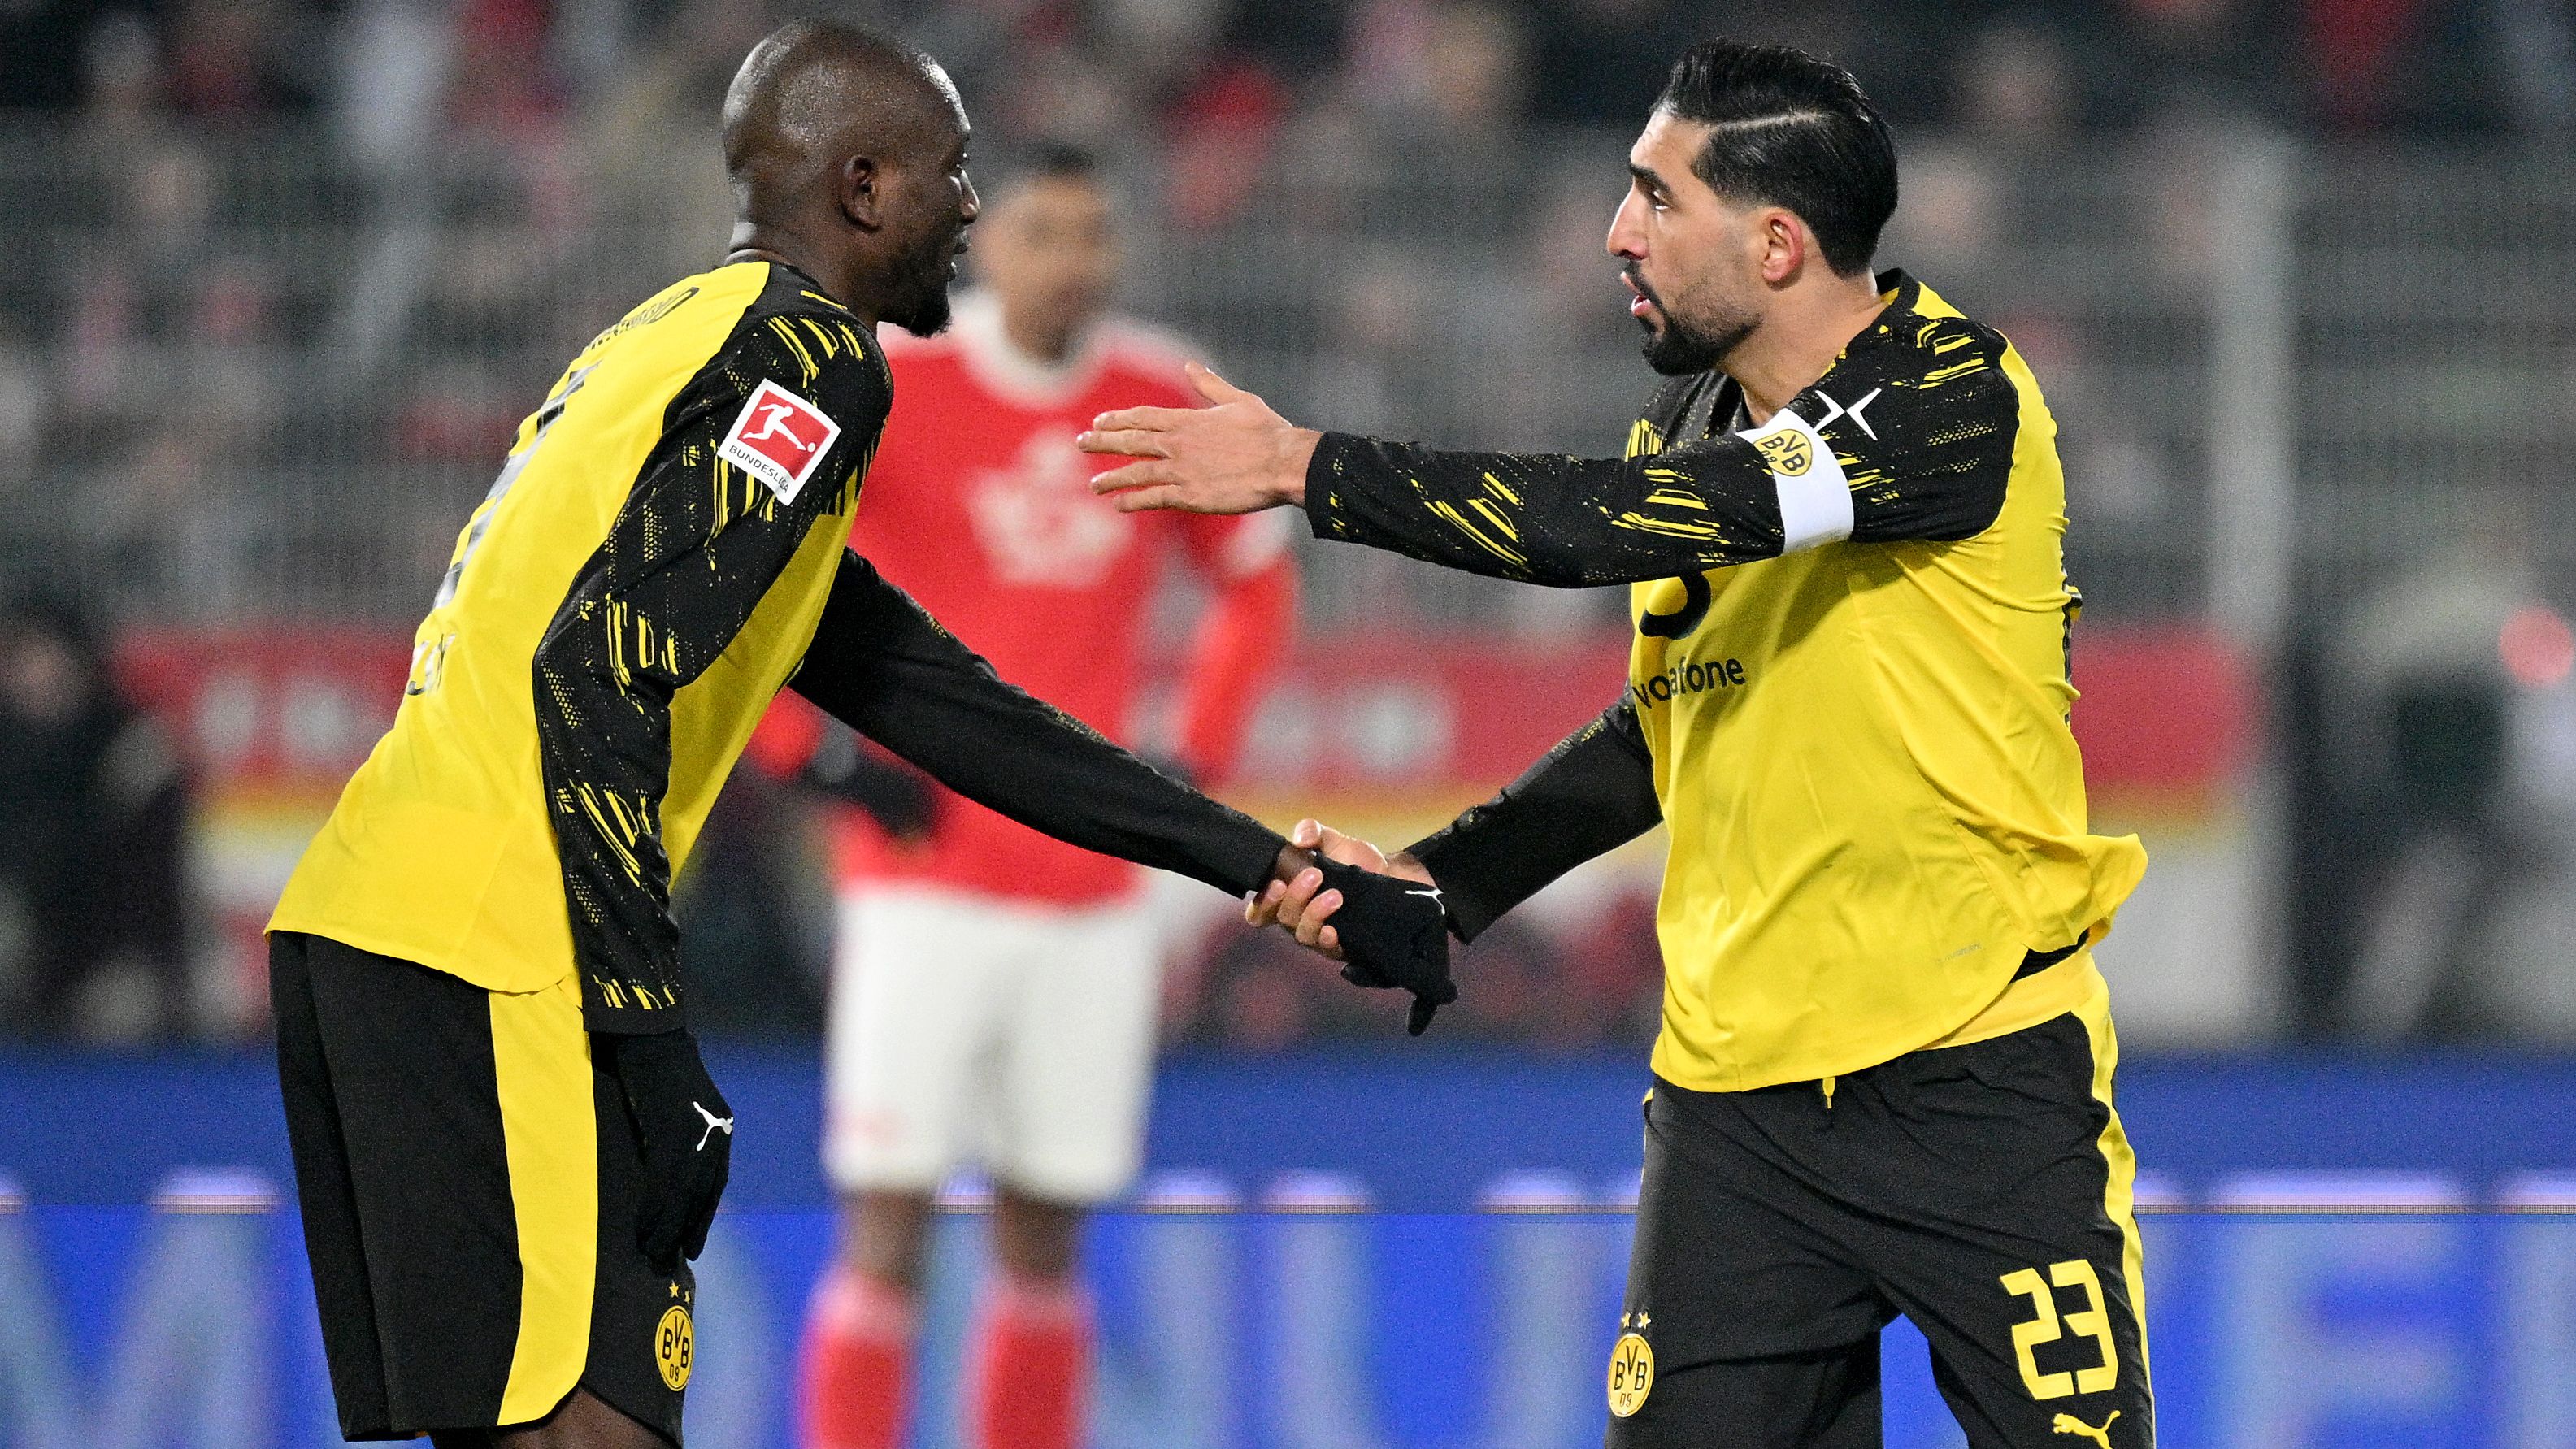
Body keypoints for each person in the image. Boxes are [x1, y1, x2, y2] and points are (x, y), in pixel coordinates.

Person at [263, 23, 1442, 1449]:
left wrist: (1269, 867)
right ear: (866, 186)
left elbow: (947, 707)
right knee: (587, 1430)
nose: (970, 208)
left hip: (383, 921)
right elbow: (599, 670)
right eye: (955, 171)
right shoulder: (815, 359)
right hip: (495, 949)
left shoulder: (681, 333)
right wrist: (646, 1037)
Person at [1080, 39, 2155, 1449]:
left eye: (1656, 196)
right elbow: (1668, 724)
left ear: (1775, 246)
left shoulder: (1949, 396)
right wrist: (1443, 881)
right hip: (1734, 1116)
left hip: (1979, 1080)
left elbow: (1594, 530)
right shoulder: (1684, 428)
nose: (1615, 233)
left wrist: (1306, 467)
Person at [760, 142, 1297, 1449]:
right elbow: (751, 561)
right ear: (981, 244)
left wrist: (1195, 754)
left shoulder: (1157, 392)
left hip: (1086, 897)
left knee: (1047, 1232)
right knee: (885, 1219)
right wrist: (807, 755)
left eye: (1093, 235)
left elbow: (1256, 579)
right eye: (1043, 232)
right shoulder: (890, 376)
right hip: (920, 886)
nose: (1073, 262)